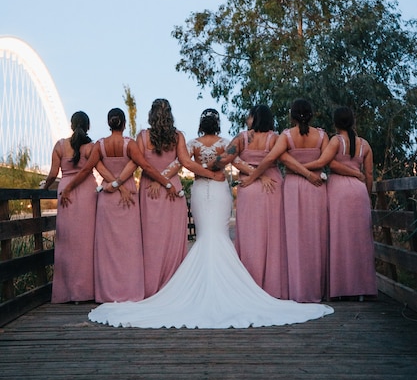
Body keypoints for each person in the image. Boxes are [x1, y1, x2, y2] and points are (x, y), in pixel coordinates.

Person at [87, 109, 334, 329]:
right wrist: (252, 174)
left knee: (206, 235)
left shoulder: (193, 143)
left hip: (198, 190)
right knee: (218, 234)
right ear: (217, 125)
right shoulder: (227, 142)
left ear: (201, 124)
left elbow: (181, 164)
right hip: (218, 190)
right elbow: (235, 161)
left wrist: (163, 177)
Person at [59, 107, 185, 303]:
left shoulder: (99, 145)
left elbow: (88, 169)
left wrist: (72, 188)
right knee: (130, 247)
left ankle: (106, 293)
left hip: (107, 198)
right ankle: (130, 292)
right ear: (124, 123)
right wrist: (122, 185)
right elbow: (141, 165)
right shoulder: (131, 144)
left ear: (108, 123)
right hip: (129, 197)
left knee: (107, 248)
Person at [113, 99, 226, 298]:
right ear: (170, 115)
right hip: (173, 191)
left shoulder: (143, 136)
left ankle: (152, 288)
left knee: (151, 241)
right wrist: (212, 175)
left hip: (150, 192)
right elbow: (186, 164)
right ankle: (175, 288)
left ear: (151, 114)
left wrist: (116, 183)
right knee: (173, 241)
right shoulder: (177, 136)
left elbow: (136, 164)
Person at [242, 99, 329, 303]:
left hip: (293, 186)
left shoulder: (287, 136)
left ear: (291, 116)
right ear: (312, 115)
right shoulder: (323, 136)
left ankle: (296, 289)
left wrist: (254, 177)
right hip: (317, 187)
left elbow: (273, 158)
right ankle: (318, 288)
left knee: (293, 237)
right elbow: (326, 160)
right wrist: (311, 173)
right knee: (317, 236)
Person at [210, 104, 289, 299]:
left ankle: (247, 286)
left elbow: (221, 161)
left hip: (248, 188)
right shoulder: (276, 139)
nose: (246, 119)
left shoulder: (241, 138)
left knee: (249, 236)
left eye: (249, 115)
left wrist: (210, 165)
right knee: (273, 236)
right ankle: (274, 288)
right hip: (273, 187)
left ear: (255, 117)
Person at [303, 106, 377, 300]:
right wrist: (367, 195)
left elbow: (325, 163)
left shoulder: (336, 141)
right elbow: (368, 174)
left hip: (338, 192)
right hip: (359, 192)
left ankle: (341, 290)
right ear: (352, 121)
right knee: (360, 240)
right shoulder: (365, 145)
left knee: (339, 239)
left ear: (336, 123)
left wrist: (299, 166)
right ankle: (363, 289)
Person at [42, 111, 98, 303]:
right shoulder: (91, 147)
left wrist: (45, 187)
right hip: (87, 192)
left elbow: (52, 173)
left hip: (65, 189)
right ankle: (87, 291)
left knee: (67, 241)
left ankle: (66, 292)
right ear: (88, 126)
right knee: (87, 241)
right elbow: (94, 170)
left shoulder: (60, 145)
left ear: (71, 125)